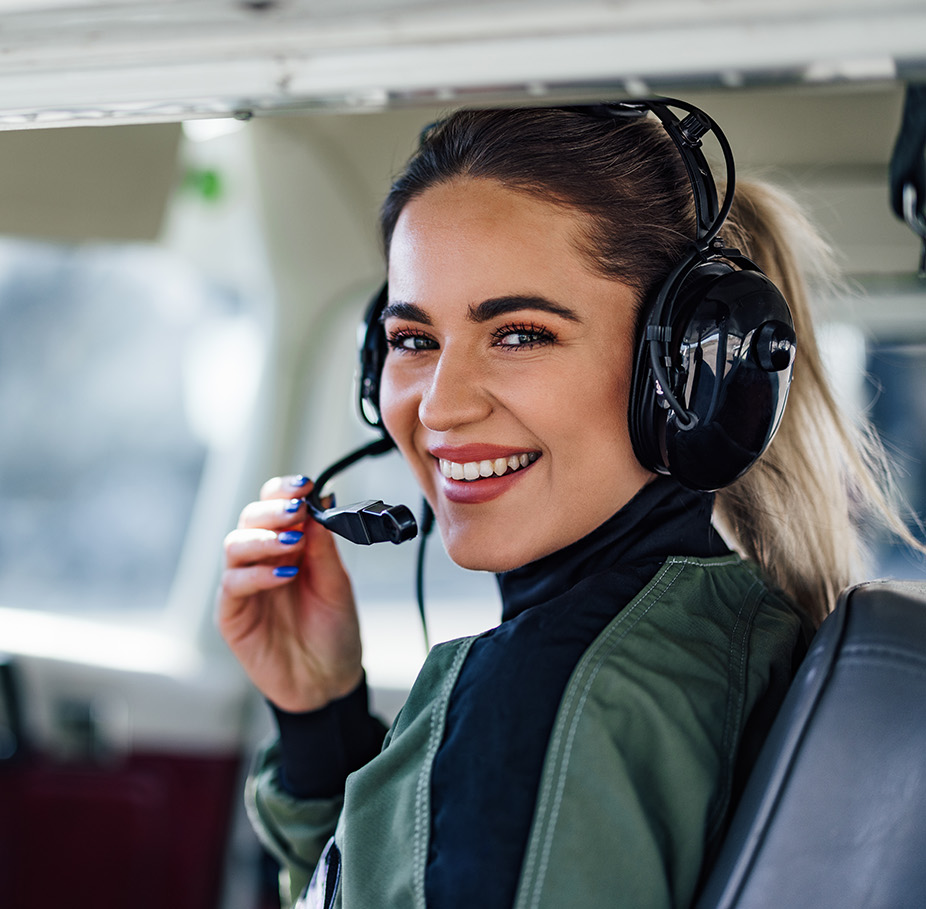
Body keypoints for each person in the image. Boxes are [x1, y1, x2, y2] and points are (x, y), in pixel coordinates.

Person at [218, 103, 920, 908]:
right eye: (413, 339)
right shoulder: (716, 629)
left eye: (520, 333)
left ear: (681, 373)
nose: (439, 405)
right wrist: (321, 718)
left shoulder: (543, 703)